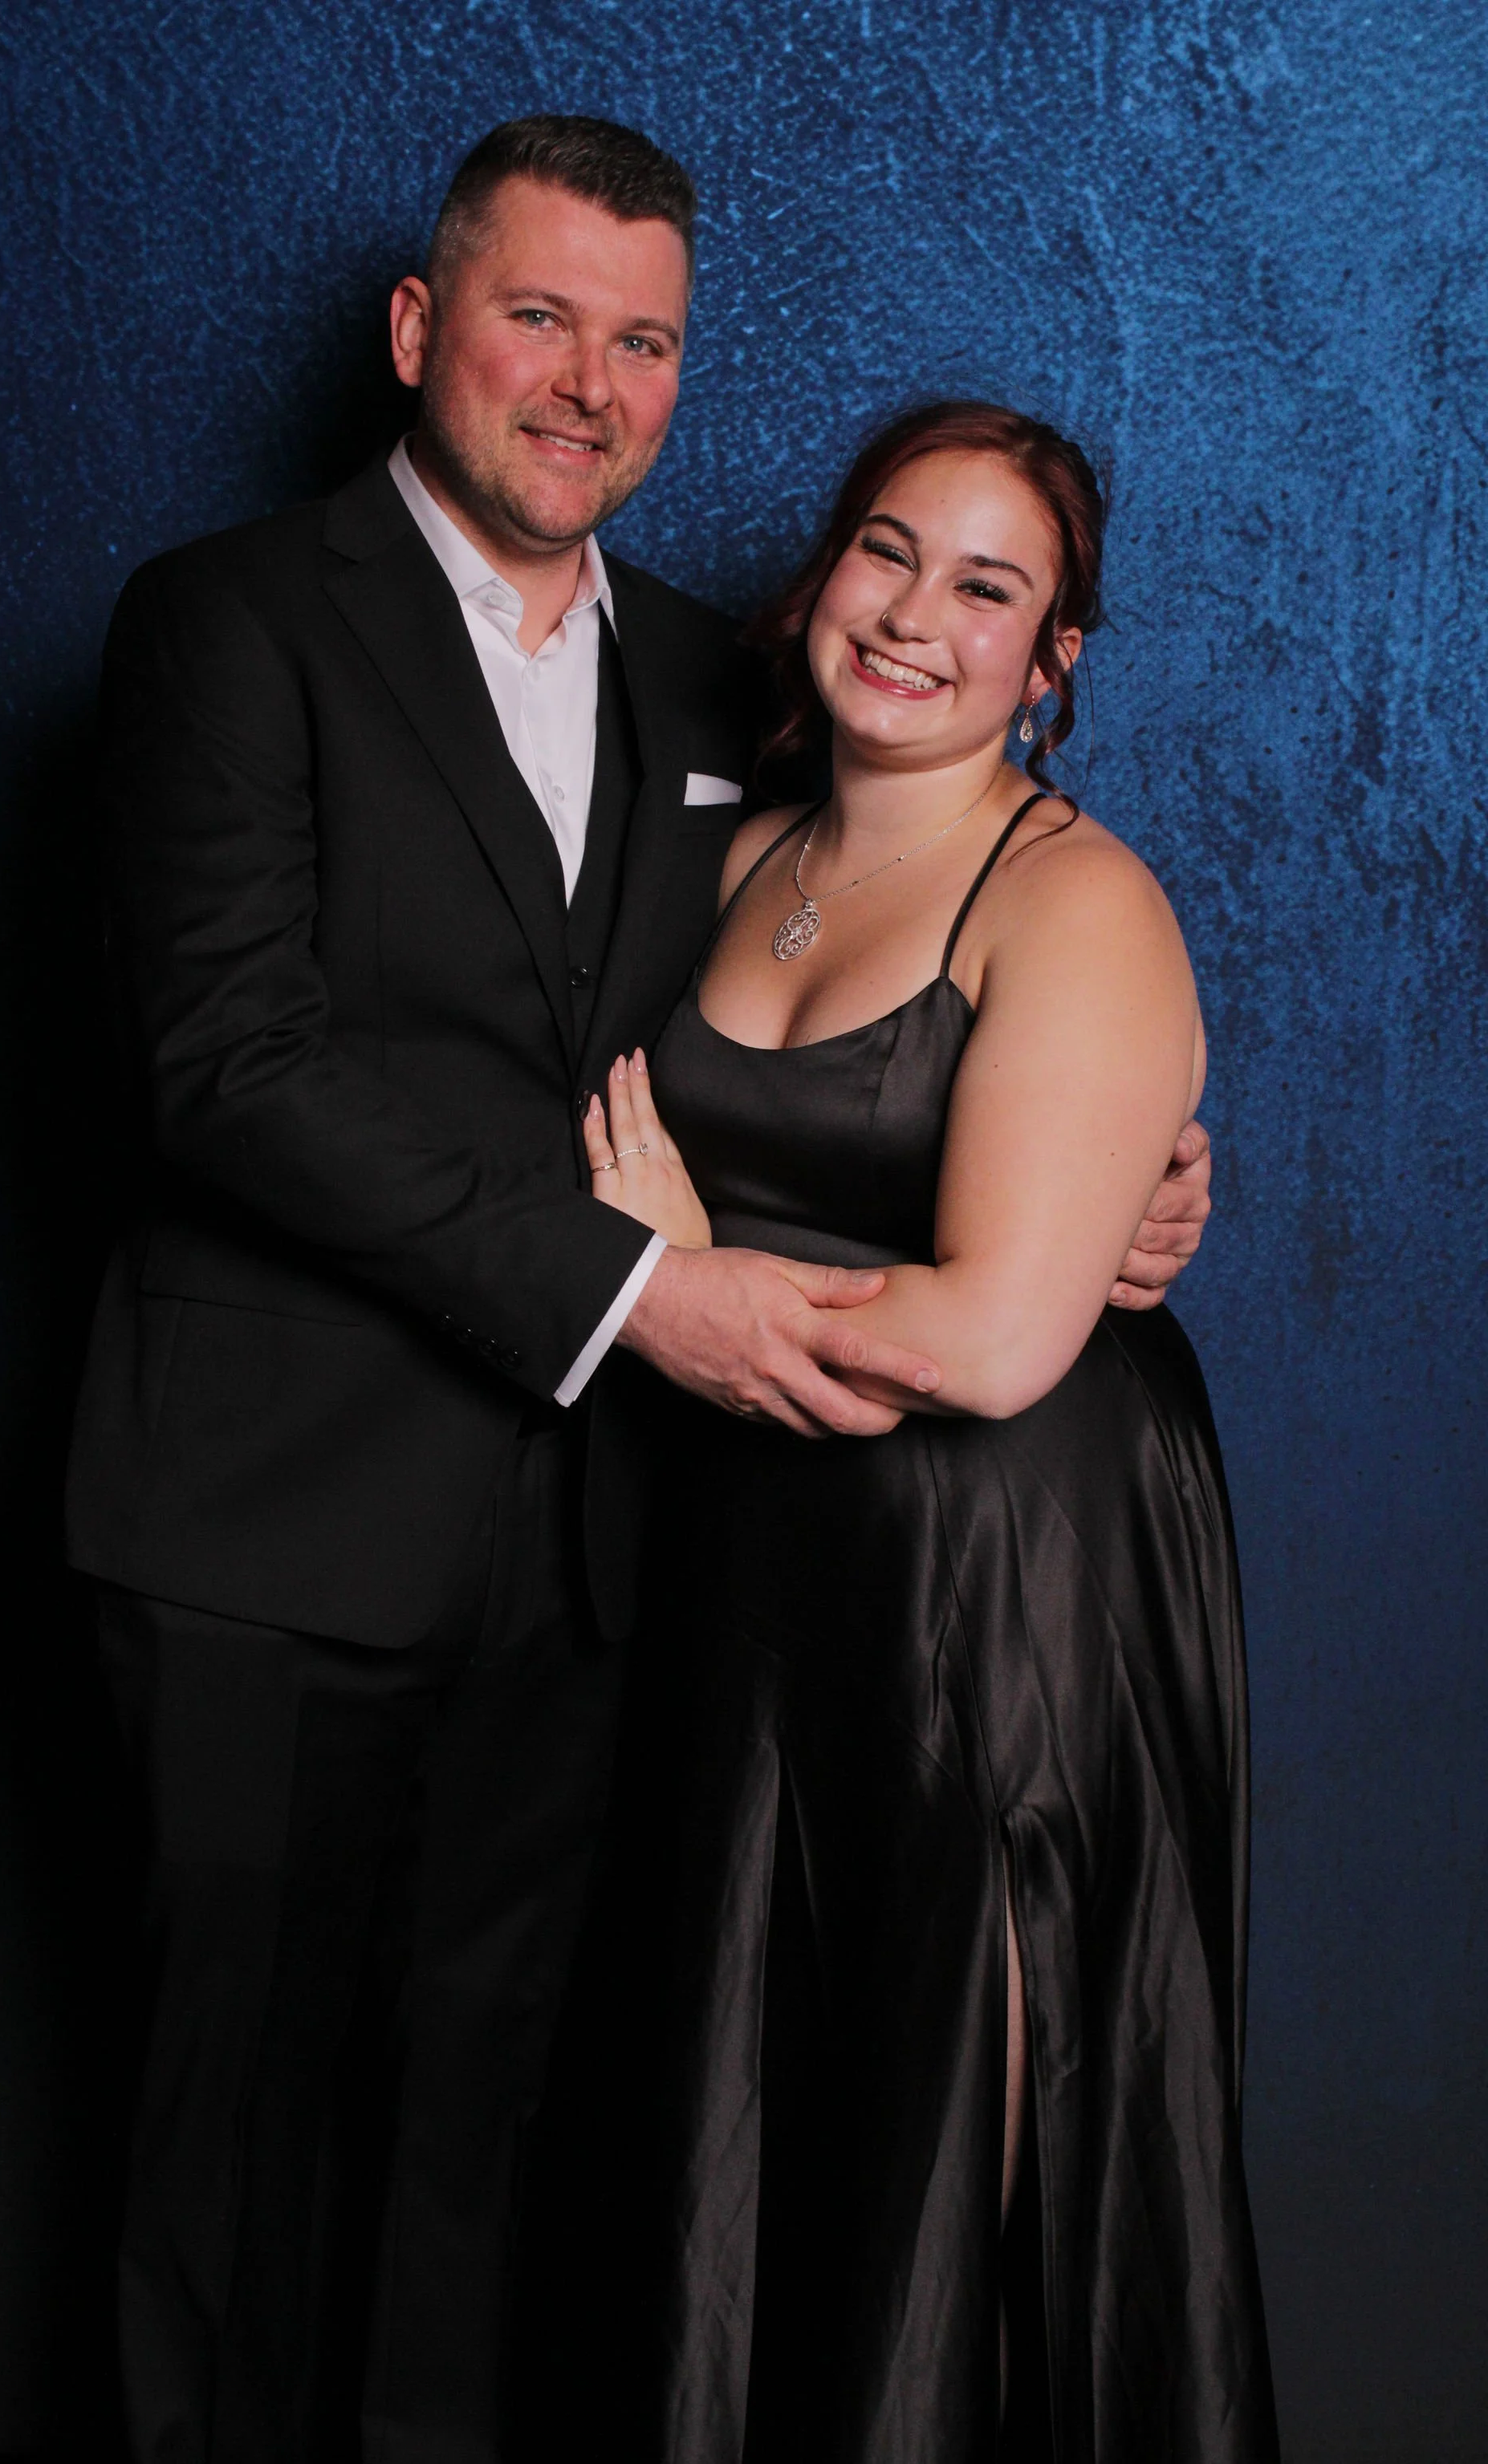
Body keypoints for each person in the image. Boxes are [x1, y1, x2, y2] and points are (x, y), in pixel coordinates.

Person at [64, 115, 1212, 2464]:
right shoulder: (223, 620)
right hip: (278, 1530)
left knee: (498, 2178)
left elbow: (902, 1017)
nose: (587, 380)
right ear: (420, 332)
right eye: (537, 314)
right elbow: (231, 1064)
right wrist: (633, 1294)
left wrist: (1123, 1185)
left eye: (645, 337)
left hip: (621, 1571)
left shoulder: (737, 689)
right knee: (229, 2163)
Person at [580, 402, 1277, 2461]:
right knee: (753, 2126)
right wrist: (647, 1275)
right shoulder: (717, 851)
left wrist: (691, 1272)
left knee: (966, 2127)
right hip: (765, 1571)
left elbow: (990, 1338)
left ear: (1052, 658)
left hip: (1007, 1585)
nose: (915, 616)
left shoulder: (1074, 903)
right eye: (891, 551)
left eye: (989, 587)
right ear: (824, 571)